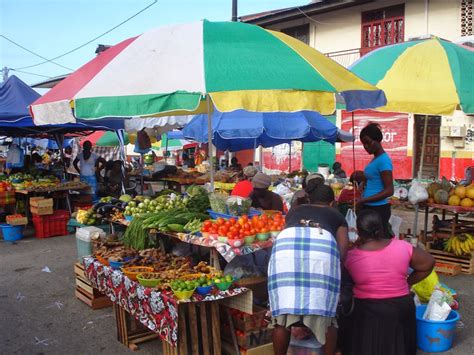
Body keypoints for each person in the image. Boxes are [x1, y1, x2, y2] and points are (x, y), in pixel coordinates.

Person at [269, 184, 349, 355]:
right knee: (328, 317)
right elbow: (342, 253)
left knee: (282, 318)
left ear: (310, 200)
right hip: (322, 251)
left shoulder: (295, 211)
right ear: (331, 202)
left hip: (285, 251)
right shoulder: (337, 215)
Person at [344, 210, 434, 355]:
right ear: (382, 227)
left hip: (367, 309)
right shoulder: (401, 246)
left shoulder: (351, 256)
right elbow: (428, 263)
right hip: (400, 307)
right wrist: (408, 283)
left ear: (358, 231)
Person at [357, 123, 394, 238]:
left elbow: (389, 190)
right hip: (370, 207)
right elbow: (374, 178)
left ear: (377, 140)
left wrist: (364, 200)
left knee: (377, 242)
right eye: (364, 144)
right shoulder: (375, 159)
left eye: (368, 142)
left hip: (378, 209)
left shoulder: (383, 161)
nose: (366, 147)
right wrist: (364, 182)